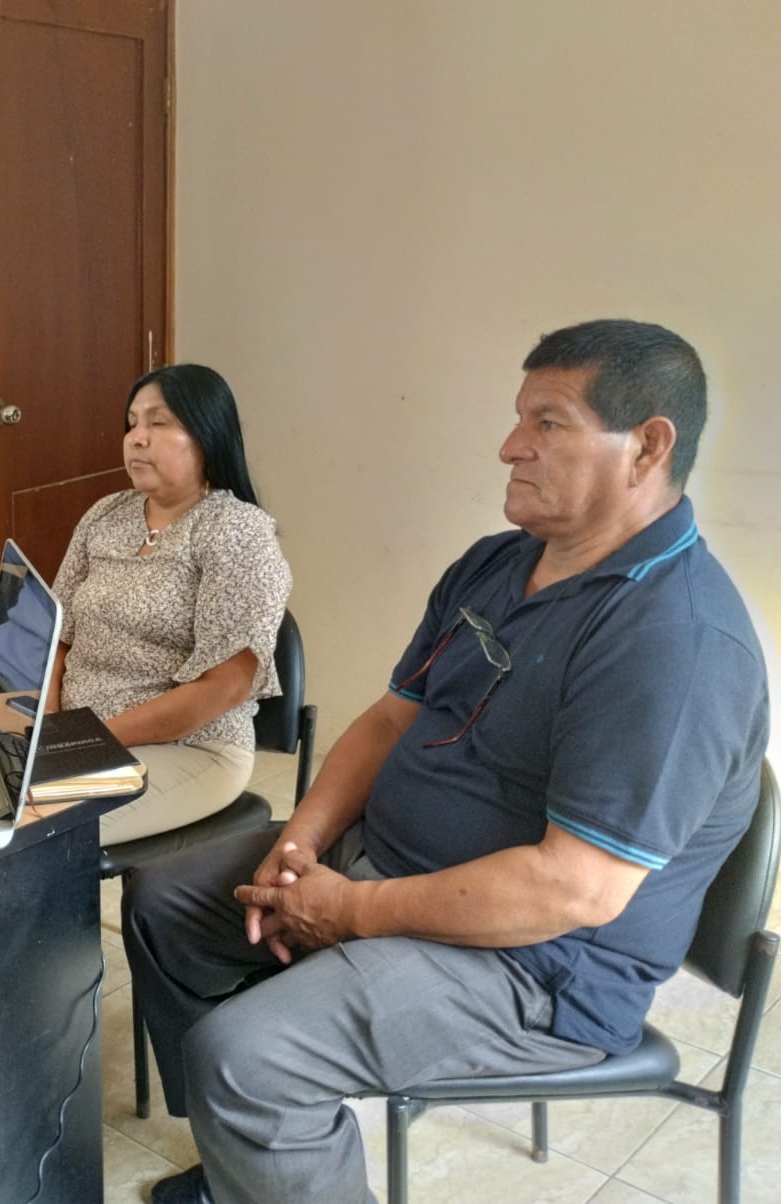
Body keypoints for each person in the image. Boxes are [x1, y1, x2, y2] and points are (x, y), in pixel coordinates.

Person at [125, 320, 770, 1204]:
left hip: (536, 965)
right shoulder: (497, 565)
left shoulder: (676, 643)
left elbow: (573, 891)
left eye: (548, 423)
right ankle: (248, 1167)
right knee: (162, 901)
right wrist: (300, 846)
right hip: (388, 864)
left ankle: (256, 1125)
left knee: (248, 1058)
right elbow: (390, 720)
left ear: (647, 447)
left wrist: (352, 912)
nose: (511, 446)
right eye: (519, 418)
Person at [45, 364, 291, 845]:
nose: (136, 438)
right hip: (79, 736)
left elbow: (223, 688)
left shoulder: (236, 531)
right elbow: (57, 631)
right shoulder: (105, 515)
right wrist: (47, 726)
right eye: (132, 423)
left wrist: (85, 741)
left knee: (33, 831)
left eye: (158, 423)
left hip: (192, 748)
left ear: (207, 436)